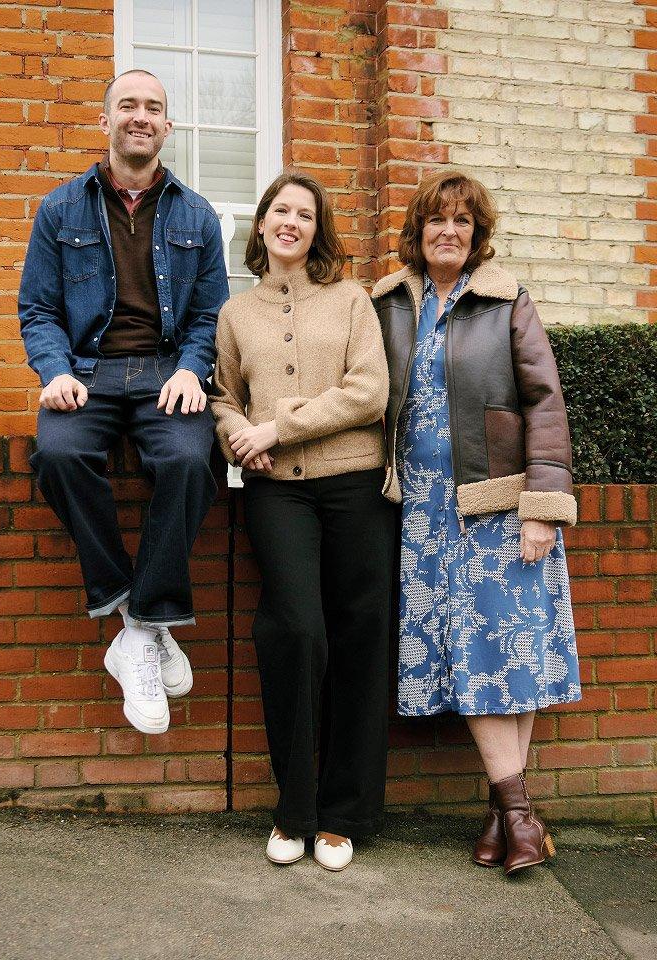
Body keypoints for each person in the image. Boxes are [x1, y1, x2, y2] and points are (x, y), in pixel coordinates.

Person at [372, 169, 581, 876]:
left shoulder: (505, 302)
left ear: (477, 233)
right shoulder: (390, 304)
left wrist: (541, 510)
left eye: (462, 221)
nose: (449, 232)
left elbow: (545, 405)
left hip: (496, 511)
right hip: (423, 516)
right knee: (485, 661)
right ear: (418, 230)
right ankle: (511, 818)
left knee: (503, 662)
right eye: (437, 220)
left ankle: (514, 817)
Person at [19, 70, 229, 736]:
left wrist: (196, 370)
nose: (142, 117)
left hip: (167, 375)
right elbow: (38, 308)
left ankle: (136, 627)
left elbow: (209, 314)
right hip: (89, 373)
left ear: (169, 127)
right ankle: (139, 616)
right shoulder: (59, 209)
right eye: (129, 106)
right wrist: (53, 371)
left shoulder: (196, 214)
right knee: (57, 451)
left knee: (194, 461)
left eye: (155, 108)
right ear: (104, 119)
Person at [210, 172, 395, 871]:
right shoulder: (236, 313)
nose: (291, 222)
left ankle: (344, 815)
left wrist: (276, 426)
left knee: (357, 636)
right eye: (280, 211)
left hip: (354, 485)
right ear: (260, 225)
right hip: (276, 493)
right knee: (294, 630)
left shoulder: (351, 300)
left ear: (319, 231)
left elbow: (368, 391)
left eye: (305, 214)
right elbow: (224, 396)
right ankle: (295, 809)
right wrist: (238, 431)